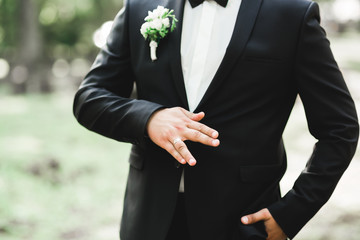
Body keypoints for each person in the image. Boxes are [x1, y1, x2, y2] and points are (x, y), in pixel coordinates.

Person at [73, 0, 359, 239]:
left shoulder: (292, 13)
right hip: (148, 220)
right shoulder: (141, 5)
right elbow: (90, 98)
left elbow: (339, 127)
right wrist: (149, 119)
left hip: (241, 223)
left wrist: (291, 213)